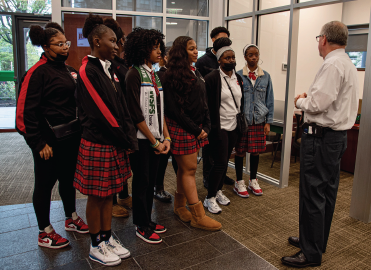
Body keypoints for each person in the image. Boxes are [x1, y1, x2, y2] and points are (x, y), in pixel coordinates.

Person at [282, 21, 359, 268]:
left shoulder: (333, 64)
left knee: (313, 193)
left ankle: (311, 253)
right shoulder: (346, 62)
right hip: (335, 138)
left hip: (321, 139)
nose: (318, 42)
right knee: (326, 193)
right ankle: (313, 240)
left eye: (318, 38)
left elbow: (318, 104)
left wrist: (300, 101)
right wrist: (311, 98)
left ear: (324, 39)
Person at [16, 22, 88, 249]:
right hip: (48, 143)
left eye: (66, 43)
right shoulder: (36, 72)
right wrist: (38, 143)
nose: (65, 47)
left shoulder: (69, 70)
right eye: (59, 44)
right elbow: (24, 113)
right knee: (45, 185)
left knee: (68, 180)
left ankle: (71, 217)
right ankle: (44, 231)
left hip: (71, 138)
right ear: (46, 47)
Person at [74, 14, 138, 266]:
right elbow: (104, 113)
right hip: (99, 141)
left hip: (113, 140)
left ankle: (106, 237)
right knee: (96, 196)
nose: (116, 44)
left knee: (109, 192)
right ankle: (95, 244)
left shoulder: (108, 68)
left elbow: (121, 108)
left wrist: (127, 135)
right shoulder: (87, 70)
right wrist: (127, 140)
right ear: (97, 41)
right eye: (112, 40)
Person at [163, 36, 221, 231]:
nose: (196, 51)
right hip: (183, 128)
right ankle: (198, 216)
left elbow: (204, 102)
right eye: (191, 48)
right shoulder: (171, 75)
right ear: (181, 51)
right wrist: (197, 130)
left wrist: (206, 126)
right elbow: (174, 111)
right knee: (189, 170)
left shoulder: (195, 71)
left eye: (196, 48)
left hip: (196, 127)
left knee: (183, 170)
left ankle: (180, 206)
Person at [124, 27, 170, 244]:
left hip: (157, 140)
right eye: (155, 48)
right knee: (141, 184)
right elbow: (135, 114)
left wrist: (166, 138)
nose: (159, 51)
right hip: (143, 142)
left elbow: (161, 111)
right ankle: (141, 225)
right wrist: (153, 142)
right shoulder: (133, 73)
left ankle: (149, 220)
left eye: (159, 47)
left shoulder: (153, 74)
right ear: (143, 49)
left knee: (150, 182)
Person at [203, 38, 244, 214]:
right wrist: (209, 126)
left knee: (225, 162)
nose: (231, 61)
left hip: (234, 126)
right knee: (219, 163)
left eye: (233, 57)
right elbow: (206, 104)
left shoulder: (238, 79)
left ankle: (218, 191)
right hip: (218, 127)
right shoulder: (212, 78)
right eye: (227, 58)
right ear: (219, 60)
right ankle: (209, 197)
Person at [195, 26, 235, 189]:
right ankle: (207, 176)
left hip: (227, 115)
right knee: (209, 149)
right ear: (213, 40)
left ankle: (221, 174)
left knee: (222, 153)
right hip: (210, 113)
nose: (223, 43)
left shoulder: (229, 63)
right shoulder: (203, 61)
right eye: (220, 39)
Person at [234, 44, 274, 198]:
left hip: (258, 120)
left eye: (256, 54)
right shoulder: (238, 75)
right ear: (245, 57)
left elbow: (269, 100)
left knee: (256, 151)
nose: (254, 57)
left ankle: (253, 180)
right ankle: (239, 182)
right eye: (250, 55)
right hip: (243, 121)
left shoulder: (266, 76)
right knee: (240, 151)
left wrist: (268, 122)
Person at [103, 18, 133, 218]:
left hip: (125, 117)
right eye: (114, 40)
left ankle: (123, 194)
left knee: (123, 162)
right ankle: (112, 201)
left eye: (118, 40)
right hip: (113, 121)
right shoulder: (106, 65)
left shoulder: (121, 63)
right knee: (112, 165)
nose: (118, 44)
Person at [154, 46, 177, 203]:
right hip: (163, 122)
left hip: (177, 122)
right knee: (163, 159)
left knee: (177, 159)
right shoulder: (158, 75)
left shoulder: (178, 75)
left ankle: (181, 189)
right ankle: (159, 187)